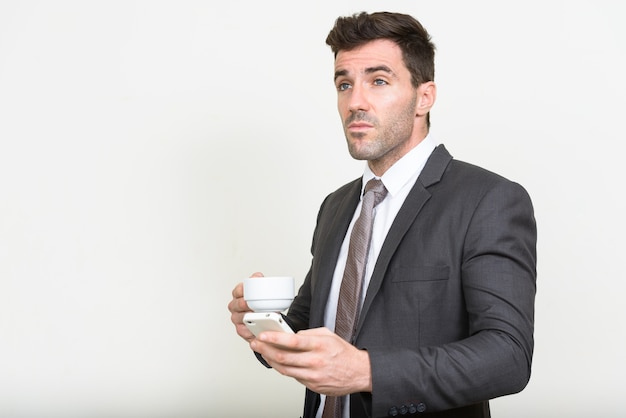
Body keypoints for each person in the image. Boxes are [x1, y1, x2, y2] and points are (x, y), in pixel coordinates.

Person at [228, 11, 536, 418]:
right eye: (344, 84)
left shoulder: (488, 200)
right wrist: (264, 325)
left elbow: (508, 357)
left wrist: (367, 371)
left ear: (424, 97)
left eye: (378, 81)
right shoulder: (336, 206)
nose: (355, 101)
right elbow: (312, 328)